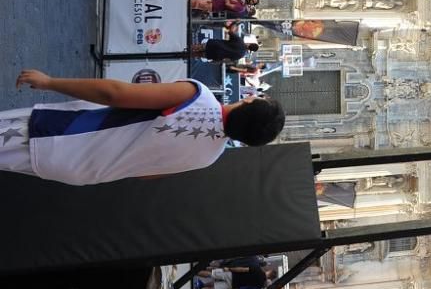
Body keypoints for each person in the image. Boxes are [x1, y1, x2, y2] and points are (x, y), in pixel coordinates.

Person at [0, 70, 284, 185]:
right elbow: (145, 176)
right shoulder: (209, 157)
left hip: (61, 131)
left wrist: (50, 82)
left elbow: (115, 94)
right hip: (78, 169)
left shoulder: (197, 97)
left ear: (248, 101)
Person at [191, 21, 258, 63]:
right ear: (250, 50)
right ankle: (185, 55)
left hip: (215, 45)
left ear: (250, 43)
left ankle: (184, 49)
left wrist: (235, 23)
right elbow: (228, 60)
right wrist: (217, 61)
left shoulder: (240, 41)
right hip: (216, 55)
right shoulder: (241, 55)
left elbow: (230, 32)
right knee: (196, 55)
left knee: (196, 47)